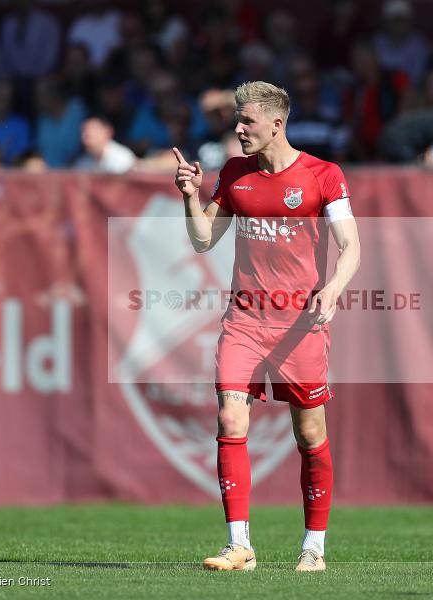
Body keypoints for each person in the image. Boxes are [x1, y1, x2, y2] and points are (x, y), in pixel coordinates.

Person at [172, 81, 360, 572]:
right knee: (230, 420)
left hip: (301, 325)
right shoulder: (235, 174)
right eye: (237, 120)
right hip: (246, 320)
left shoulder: (323, 174)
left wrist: (334, 288)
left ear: (277, 123)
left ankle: (313, 548)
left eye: (247, 121)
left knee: (309, 434)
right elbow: (202, 241)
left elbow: (351, 244)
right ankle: (240, 545)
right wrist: (190, 197)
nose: (238, 129)